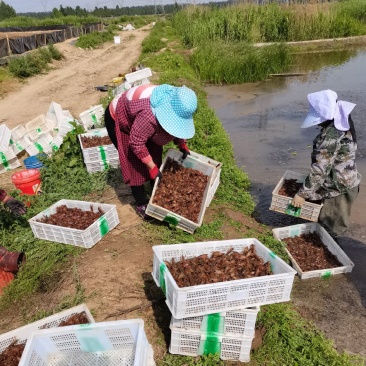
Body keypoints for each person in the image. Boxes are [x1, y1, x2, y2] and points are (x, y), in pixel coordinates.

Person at [104, 83, 198, 219]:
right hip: (119, 117)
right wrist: (152, 167)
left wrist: (181, 143)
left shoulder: (175, 103)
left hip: (139, 119)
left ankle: (154, 185)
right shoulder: (149, 116)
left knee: (154, 152)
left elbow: (177, 124)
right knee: (135, 163)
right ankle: (141, 201)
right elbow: (136, 142)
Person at [291, 89, 361, 237]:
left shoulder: (332, 134)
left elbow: (320, 169)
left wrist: (302, 194)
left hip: (339, 190)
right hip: (346, 182)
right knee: (329, 224)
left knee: (331, 230)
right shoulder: (343, 123)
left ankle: (333, 255)